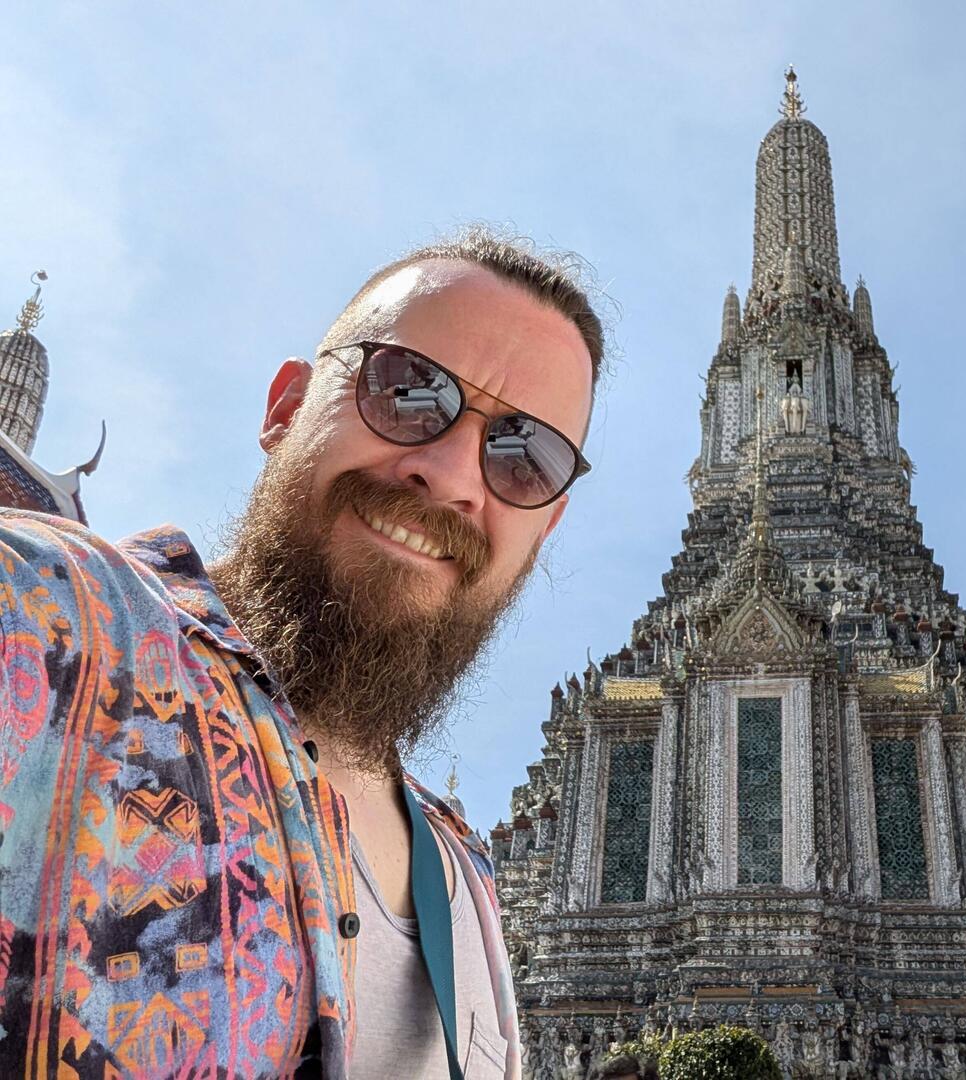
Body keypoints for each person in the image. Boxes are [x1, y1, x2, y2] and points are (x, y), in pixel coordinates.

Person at [0, 227, 604, 1078]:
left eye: (525, 456)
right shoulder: (47, 621)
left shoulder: (466, 885)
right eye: (407, 390)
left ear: (544, 528)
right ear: (286, 408)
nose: (451, 474)